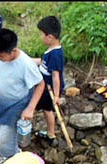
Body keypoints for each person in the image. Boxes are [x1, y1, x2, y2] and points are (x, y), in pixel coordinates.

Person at [0, 28, 44, 164]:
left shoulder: (26, 64)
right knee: (0, 127)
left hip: (17, 103)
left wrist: (30, 108)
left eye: (1, 56)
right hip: (1, 99)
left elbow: (40, 85)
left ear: (13, 51)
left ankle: (9, 158)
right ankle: (14, 149)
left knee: (4, 137)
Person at [32, 16, 65, 146]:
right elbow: (42, 62)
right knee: (45, 109)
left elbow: (56, 76)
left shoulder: (56, 54)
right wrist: (28, 60)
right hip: (44, 86)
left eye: (41, 34)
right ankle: (49, 133)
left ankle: (51, 134)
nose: (40, 37)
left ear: (50, 36)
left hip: (49, 89)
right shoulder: (50, 50)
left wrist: (56, 96)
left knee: (47, 109)